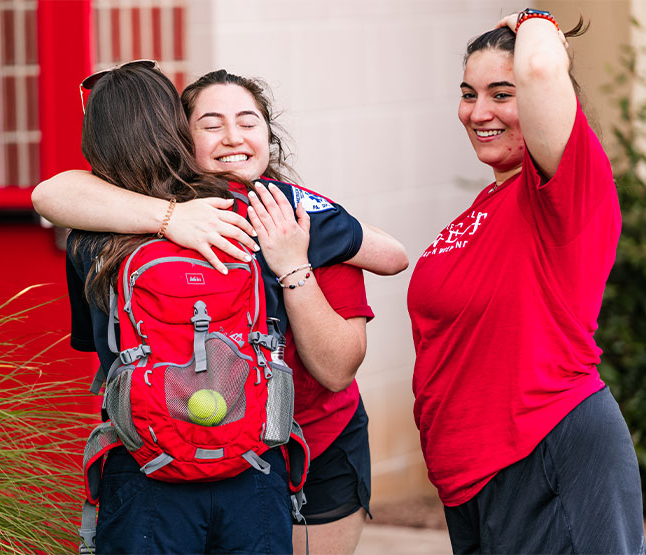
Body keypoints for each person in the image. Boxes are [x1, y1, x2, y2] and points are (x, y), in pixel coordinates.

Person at [41, 65, 408, 554]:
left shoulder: (98, 230)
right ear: (179, 136)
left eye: (248, 121)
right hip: (258, 455)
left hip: (183, 449)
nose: (233, 137)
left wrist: (292, 259)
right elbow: (396, 257)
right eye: (211, 125)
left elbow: (48, 197)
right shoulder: (277, 211)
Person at [407, 9, 644, 554]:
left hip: (547, 449)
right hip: (474, 478)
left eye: (500, 93)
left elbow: (539, 66)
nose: (478, 112)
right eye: (469, 93)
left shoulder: (567, 188)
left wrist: (535, 19)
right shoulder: (487, 204)